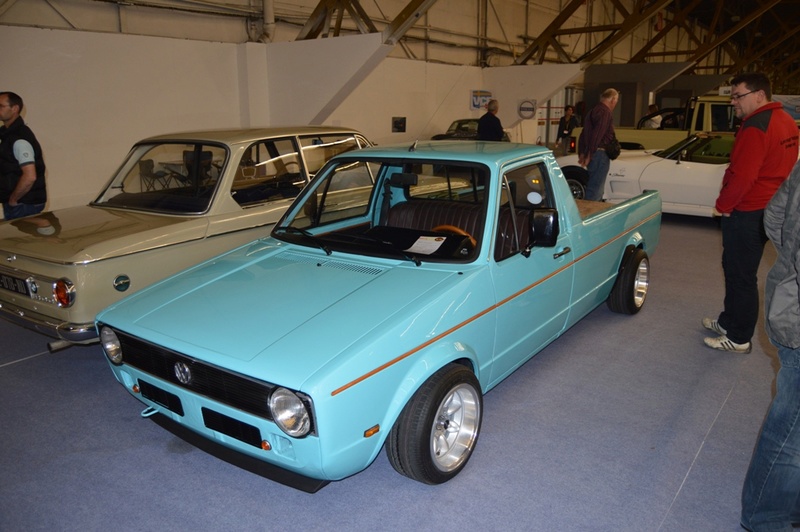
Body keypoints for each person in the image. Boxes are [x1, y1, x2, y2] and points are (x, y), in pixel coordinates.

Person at [702, 73, 799, 353]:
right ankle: (728, 321)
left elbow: (744, 176)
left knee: (740, 274)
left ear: (759, 95)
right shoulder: (785, 121)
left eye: (738, 96)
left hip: (748, 210)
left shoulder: (755, 126)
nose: (734, 102)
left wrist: (723, 206)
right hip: (772, 208)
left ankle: (739, 337)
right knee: (735, 268)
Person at [740, 160, 800, 531]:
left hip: (789, 301)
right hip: (795, 314)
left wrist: (790, 266)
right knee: (791, 428)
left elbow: (776, 214)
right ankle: (766, 518)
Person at [0, 91, 47, 220]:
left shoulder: (19, 138)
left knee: (23, 240)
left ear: (15, 109)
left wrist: (13, 199)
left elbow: (30, 176)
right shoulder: (7, 135)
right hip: (21, 203)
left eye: (1, 106)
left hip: (23, 205)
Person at [577, 88, 619, 201]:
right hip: (600, 154)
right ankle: (590, 216)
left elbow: (583, 133)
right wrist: (590, 154)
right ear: (613, 100)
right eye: (616, 101)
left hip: (593, 154)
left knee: (593, 187)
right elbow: (597, 135)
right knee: (596, 190)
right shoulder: (605, 112)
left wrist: (582, 153)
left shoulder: (592, 111)